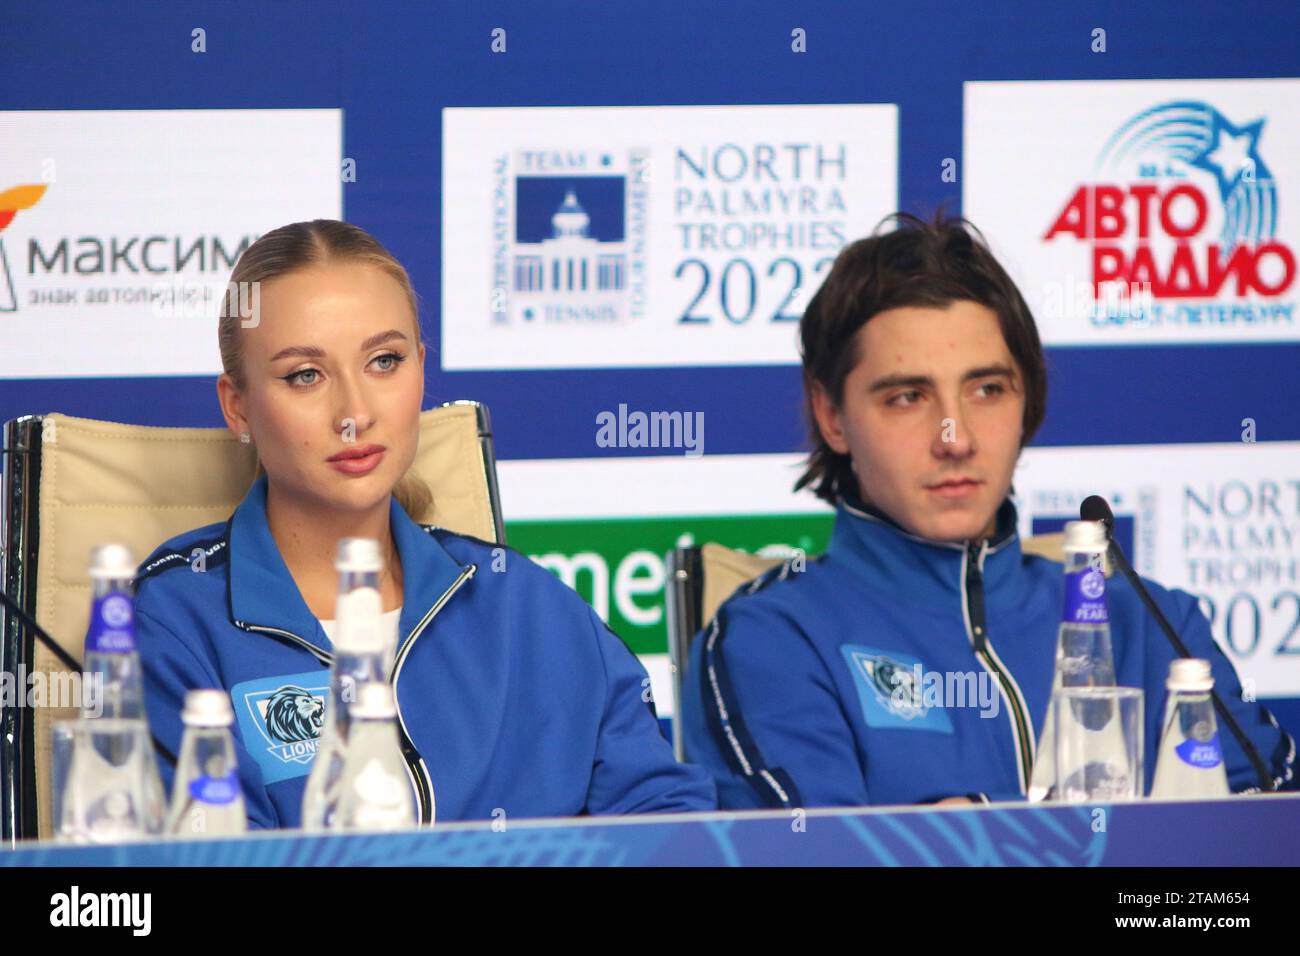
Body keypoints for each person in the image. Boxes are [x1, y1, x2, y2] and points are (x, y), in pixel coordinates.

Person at [681, 212, 1296, 808]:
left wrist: (971, 823)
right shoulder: (772, 640)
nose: (956, 438)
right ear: (832, 415)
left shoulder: (1155, 626)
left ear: (1028, 399)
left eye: (986, 390)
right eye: (907, 396)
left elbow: (1259, 845)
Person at [134, 219, 715, 828]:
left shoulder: (527, 605)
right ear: (238, 405)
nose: (355, 413)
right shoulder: (177, 620)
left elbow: (671, 826)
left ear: (421, 370)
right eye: (305, 374)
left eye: (385, 361)